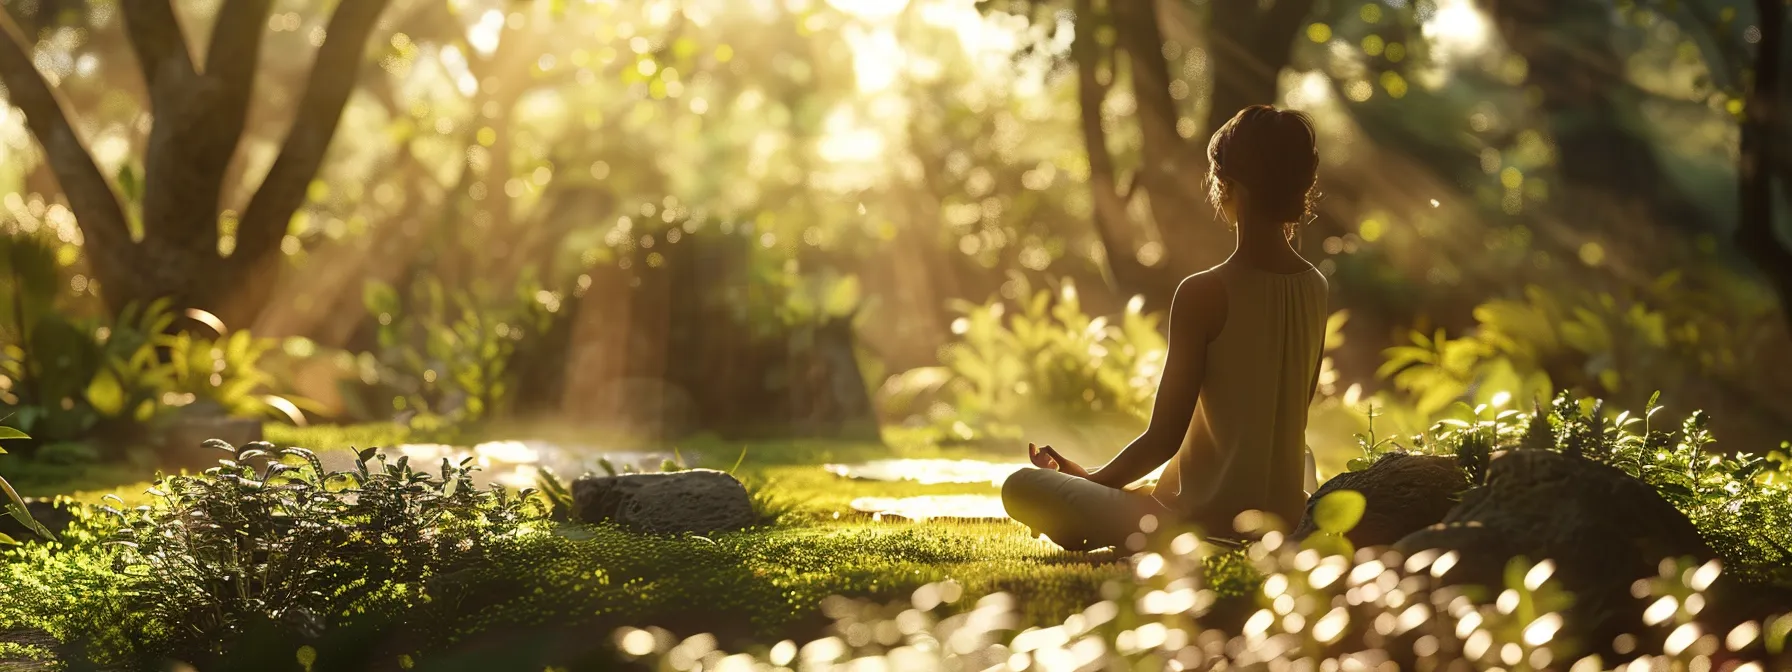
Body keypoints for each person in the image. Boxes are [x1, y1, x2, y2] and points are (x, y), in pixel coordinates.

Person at [1002, 105, 1329, 551]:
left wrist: (1093, 482)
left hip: (1195, 524)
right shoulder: (1316, 286)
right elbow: (1288, 418)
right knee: (1301, 455)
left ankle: (1108, 523)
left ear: (1226, 186)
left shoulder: (1205, 291)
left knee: (1020, 486)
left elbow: (1163, 438)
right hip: (1282, 516)